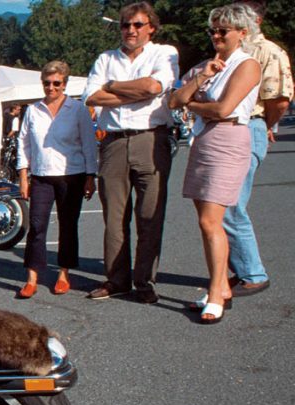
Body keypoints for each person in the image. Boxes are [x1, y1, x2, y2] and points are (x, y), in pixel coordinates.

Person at [169, 4, 261, 324]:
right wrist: (202, 77)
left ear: (242, 33)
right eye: (213, 31)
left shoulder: (247, 65)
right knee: (206, 221)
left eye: (223, 31)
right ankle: (220, 287)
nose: (217, 36)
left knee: (211, 221)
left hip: (229, 138)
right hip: (204, 139)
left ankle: (216, 292)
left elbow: (223, 109)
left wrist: (194, 104)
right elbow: (173, 100)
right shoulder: (208, 65)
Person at [82, 1, 178, 304]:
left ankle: (145, 281)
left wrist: (112, 86)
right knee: (114, 218)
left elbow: (153, 87)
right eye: (125, 25)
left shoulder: (164, 53)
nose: (131, 30)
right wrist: (133, 93)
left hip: (150, 139)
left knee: (150, 215)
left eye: (138, 24)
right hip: (113, 143)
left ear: (151, 27)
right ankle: (117, 280)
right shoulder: (105, 58)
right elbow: (91, 97)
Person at [223, 0, 292, 297]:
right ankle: (241, 269)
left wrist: (265, 125)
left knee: (231, 205)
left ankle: (253, 273)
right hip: (228, 130)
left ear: (255, 22)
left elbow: (279, 101)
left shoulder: (269, 52)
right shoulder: (234, 52)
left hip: (250, 125)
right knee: (223, 204)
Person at [16, 61, 98, 299]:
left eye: (56, 83)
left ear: (65, 84)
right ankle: (32, 277)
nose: (51, 88)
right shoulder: (33, 110)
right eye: (47, 83)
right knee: (37, 226)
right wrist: (23, 176)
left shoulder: (78, 109)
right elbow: (24, 143)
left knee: (68, 225)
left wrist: (90, 176)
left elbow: (89, 144)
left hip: (72, 175)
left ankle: (63, 273)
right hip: (41, 176)